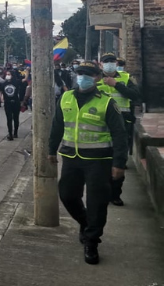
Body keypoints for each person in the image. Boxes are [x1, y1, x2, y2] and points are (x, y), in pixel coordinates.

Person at [48, 61, 128, 265]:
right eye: (80, 73)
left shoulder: (107, 102)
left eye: (88, 74)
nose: (83, 77)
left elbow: (120, 135)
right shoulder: (66, 97)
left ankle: (91, 241)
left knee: (97, 203)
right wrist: (51, 150)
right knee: (67, 195)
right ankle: (85, 223)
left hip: (98, 160)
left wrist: (119, 163)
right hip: (71, 158)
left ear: (97, 78)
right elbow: (57, 125)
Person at [96, 53, 141, 206]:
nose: (109, 64)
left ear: (116, 63)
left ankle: (115, 194)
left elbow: (136, 95)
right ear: (101, 64)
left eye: (112, 61)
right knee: (103, 160)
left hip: (122, 123)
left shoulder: (126, 78)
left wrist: (116, 84)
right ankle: (104, 191)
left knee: (119, 160)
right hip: (101, 124)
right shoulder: (95, 78)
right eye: (106, 61)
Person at [1, 69, 24, 140]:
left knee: (16, 118)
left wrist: (28, 71)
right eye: (7, 74)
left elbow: (24, 80)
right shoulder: (4, 83)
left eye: (9, 74)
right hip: (7, 103)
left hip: (15, 102)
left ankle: (15, 133)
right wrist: (1, 98)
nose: (7, 76)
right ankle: (10, 133)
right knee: (9, 119)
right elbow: (1, 91)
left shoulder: (16, 82)